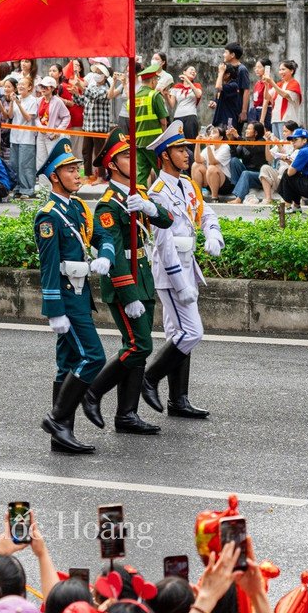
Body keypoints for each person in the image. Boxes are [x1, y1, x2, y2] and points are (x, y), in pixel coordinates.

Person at [81, 128, 173, 436]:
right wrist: (129, 293)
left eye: (132, 155)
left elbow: (166, 220)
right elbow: (115, 252)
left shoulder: (138, 194)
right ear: (111, 164)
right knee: (140, 344)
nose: (131, 161)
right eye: (124, 156)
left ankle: (127, 414)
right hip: (125, 282)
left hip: (143, 274)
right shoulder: (108, 205)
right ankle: (93, 392)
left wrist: (149, 207)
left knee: (138, 348)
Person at [142, 122, 223, 420]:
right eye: (179, 149)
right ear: (164, 156)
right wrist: (181, 283)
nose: (187, 153)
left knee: (178, 334)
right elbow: (163, 245)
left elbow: (205, 212)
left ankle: (179, 400)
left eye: (186, 147)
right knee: (192, 332)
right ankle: (149, 378)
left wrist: (213, 232)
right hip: (171, 271)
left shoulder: (187, 184)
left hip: (188, 266)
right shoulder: (159, 192)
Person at [36, 139, 111, 454]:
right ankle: (57, 418)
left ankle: (61, 435)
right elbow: (49, 267)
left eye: (77, 168)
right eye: (70, 170)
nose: (77, 174)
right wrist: (54, 310)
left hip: (81, 296)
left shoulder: (78, 207)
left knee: (67, 363)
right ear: (55, 176)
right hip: (67, 299)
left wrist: (105, 254)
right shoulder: (48, 216)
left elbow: (101, 235)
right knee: (94, 357)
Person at [210, 44, 250, 134]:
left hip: (235, 111)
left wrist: (244, 111)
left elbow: (246, 90)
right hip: (224, 110)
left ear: (232, 55)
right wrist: (215, 101)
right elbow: (221, 90)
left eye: (225, 52)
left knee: (231, 136)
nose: (223, 54)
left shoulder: (242, 69)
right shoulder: (226, 69)